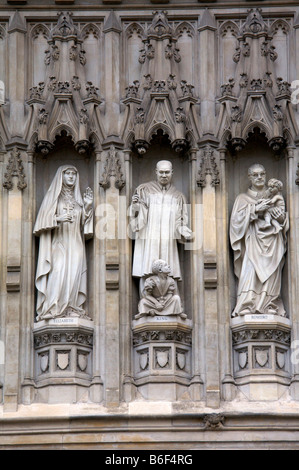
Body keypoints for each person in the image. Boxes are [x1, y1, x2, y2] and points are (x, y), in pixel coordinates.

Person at [33, 165, 93, 321]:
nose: (71, 177)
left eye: (74, 174)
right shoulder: (53, 198)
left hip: (76, 243)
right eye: (68, 174)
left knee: (74, 275)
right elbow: (41, 222)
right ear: (62, 176)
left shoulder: (78, 200)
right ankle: (53, 308)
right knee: (58, 271)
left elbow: (85, 227)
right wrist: (58, 219)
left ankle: (70, 307)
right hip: (59, 243)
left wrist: (87, 205)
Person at [230, 163, 289, 317]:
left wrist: (280, 217)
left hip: (273, 240)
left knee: (272, 272)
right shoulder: (242, 199)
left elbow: (283, 218)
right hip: (252, 241)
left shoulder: (275, 197)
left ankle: (270, 303)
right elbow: (235, 222)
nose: (259, 178)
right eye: (255, 175)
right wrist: (255, 209)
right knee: (250, 270)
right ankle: (247, 304)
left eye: (262, 174)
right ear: (249, 177)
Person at [129, 160, 193, 293]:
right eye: (161, 172)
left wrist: (183, 230)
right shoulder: (144, 190)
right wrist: (135, 206)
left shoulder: (178, 196)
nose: (164, 175)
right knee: (147, 266)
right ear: (156, 172)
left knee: (169, 267)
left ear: (172, 173)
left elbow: (180, 221)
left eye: (167, 172)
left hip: (168, 240)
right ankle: (146, 300)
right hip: (149, 237)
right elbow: (137, 217)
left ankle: (170, 299)